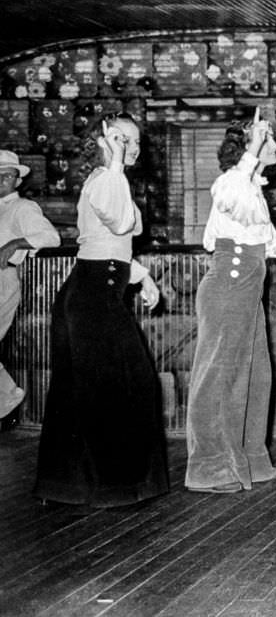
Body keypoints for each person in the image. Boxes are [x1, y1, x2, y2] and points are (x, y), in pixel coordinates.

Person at [34, 114, 167, 507]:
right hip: (93, 294)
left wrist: (143, 277)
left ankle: (67, 487)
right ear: (104, 142)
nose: (131, 147)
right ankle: (117, 487)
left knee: (86, 390)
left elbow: (109, 244)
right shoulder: (106, 179)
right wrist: (114, 161)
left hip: (95, 288)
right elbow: (120, 221)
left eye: (135, 142)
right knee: (124, 384)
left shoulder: (109, 180)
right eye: (121, 139)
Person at [185, 111, 276, 493]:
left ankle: (249, 459)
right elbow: (232, 199)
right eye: (265, 140)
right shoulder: (231, 182)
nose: (272, 147)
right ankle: (209, 467)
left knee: (255, 376)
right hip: (228, 284)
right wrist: (253, 148)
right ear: (247, 146)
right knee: (220, 376)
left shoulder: (253, 187)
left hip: (249, 285)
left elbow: (264, 243)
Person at [0, 150, 61, 419]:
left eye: (7, 174)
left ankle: (9, 399)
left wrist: (15, 243)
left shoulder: (23, 207)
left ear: (17, 180)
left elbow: (50, 237)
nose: (1, 179)